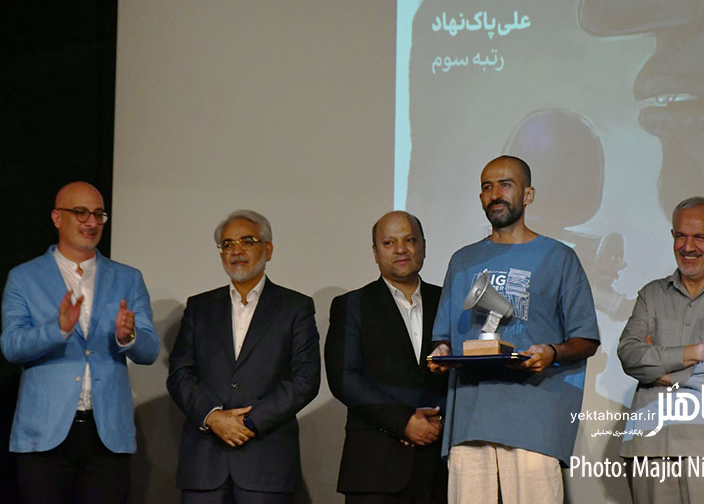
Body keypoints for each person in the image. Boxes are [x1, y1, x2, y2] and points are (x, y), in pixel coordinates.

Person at [428, 156, 600, 503]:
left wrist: (551, 352)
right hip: (471, 421)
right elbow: (443, 337)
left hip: (534, 422)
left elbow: (586, 338)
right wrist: (441, 353)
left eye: (505, 185)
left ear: (528, 195)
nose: (495, 194)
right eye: (487, 187)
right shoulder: (462, 260)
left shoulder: (558, 257)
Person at [0, 181, 161, 503]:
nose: (91, 222)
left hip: (106, 435)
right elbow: (12, 346)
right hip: (45, 435)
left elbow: (150, 350)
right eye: (81, 212)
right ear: (57, 217)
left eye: (99, 214)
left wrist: (128, 336)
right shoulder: (24, 277)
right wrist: (58, 329)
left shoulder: (127, 278)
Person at [167, 210, 320, 503]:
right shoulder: (199, 307)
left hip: (266, 465)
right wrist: (213, 417)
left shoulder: (295, 307)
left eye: (247, 241)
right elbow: (180, 373)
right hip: (204, 467)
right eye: (227, 244)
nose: (236, 251)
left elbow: (305, 379)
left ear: (268, 250)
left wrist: (247, 423)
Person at [617, 197, 704, 503]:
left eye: (700, 237)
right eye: (681, 236)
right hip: (653, 449)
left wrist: (666, 375)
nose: (688, 246)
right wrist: (697, 351)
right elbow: (629, 355)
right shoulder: (651, 294)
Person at [325, 211, 448, 503]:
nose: (401, 249)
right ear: (375, 252)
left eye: (410, 240)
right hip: (374, 467)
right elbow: (344, 379)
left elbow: (463, 372)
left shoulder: (448, 302)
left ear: (424, 246)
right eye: (389, 243)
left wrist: (441, 421)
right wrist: (403, 421)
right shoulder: (351, 305)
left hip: (440, 464)